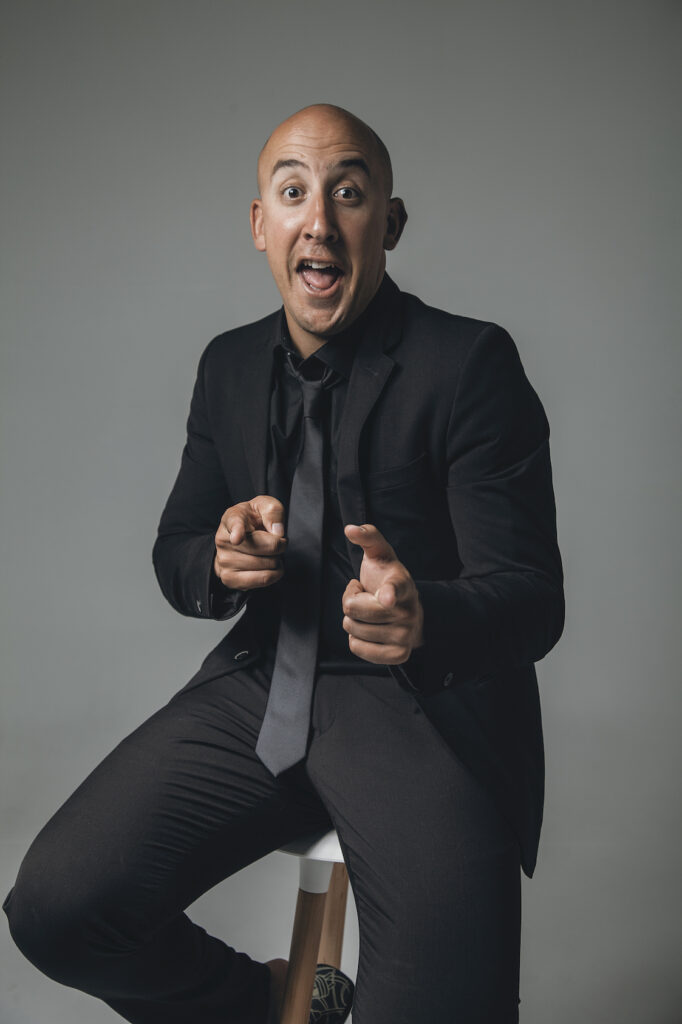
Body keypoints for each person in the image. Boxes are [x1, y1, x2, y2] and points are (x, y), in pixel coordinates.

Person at [4, 103, 564, 1023]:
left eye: (350, 193)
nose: (321, 220)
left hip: (421, 711)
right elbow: (177, 549)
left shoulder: (470, 362)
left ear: (389, 223)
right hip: (262, 691)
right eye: (295, 192)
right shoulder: (226, 366)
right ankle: (266, 1005)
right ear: (261, 224)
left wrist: (424, 616)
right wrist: (220, 559)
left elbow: (533, 599)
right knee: (57, 912)